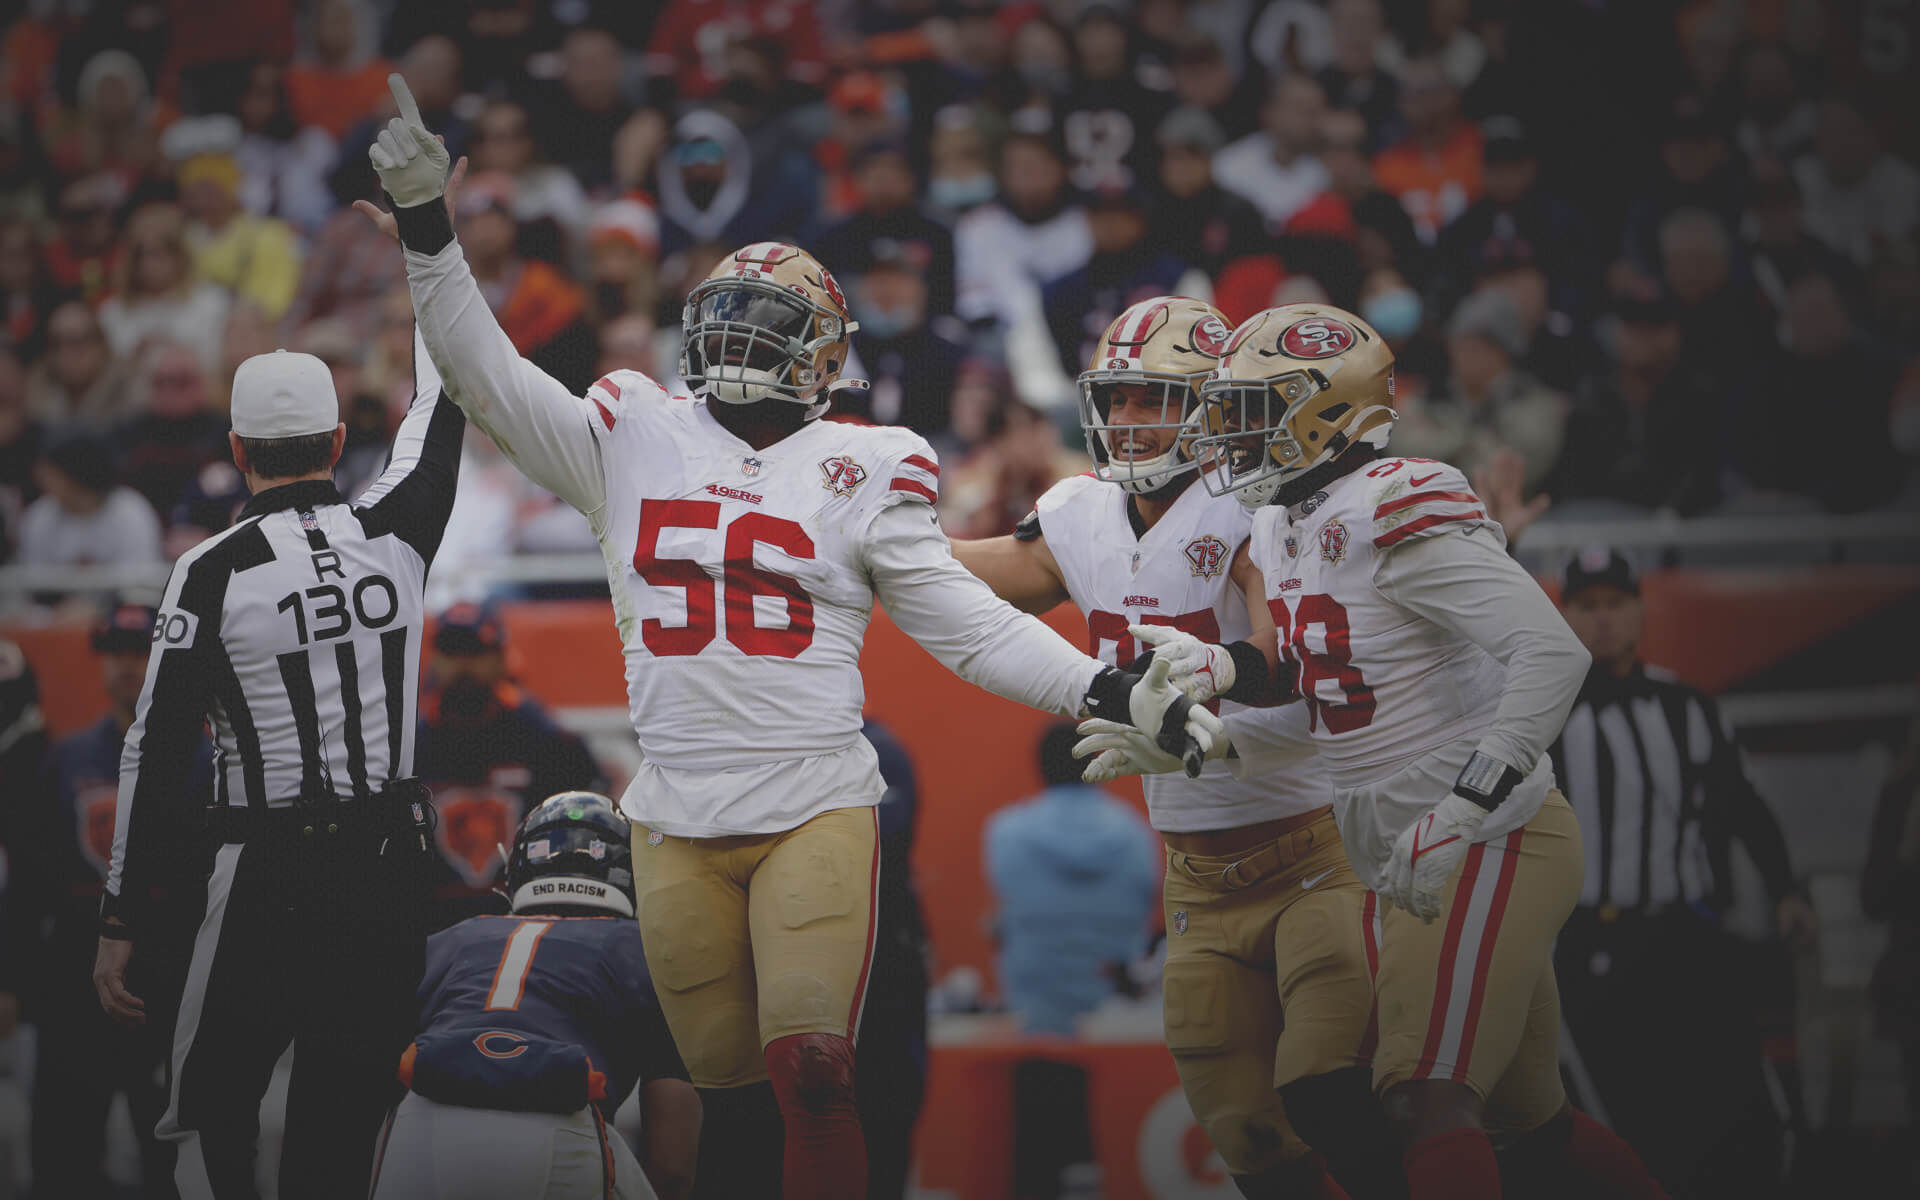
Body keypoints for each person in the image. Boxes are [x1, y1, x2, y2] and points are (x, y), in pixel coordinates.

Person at [364, 76, 1220, 1200]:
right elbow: (485, 374)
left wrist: (1100, 689)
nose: (750, 342)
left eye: (771, 327)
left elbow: (962, 626)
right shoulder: (631, 432)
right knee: (716, 1099)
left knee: (815, 1069)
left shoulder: (863, 462)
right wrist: (429, 232)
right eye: (740, 320)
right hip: (673, 806)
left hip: (814, 793)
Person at [1092, 302, 1670, 1200]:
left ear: (1323, 413)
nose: (1229, 434)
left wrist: (1468, 806)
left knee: (1423, 1098)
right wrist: (1211, 705)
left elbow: (1554, 652)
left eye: (1254, 410)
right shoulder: (1283, 521)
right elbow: (1324, 700)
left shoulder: (1397, 495)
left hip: (1487, 833)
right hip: (1395, 845)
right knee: (1529, 1131)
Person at [957, 297, 1401, 1198]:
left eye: (1151, 398)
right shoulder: (1081, 511)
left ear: (1215, 405)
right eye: (1116, 400)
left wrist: (1210, 678)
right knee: (1248, 1138)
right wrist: (879, 547)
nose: (1126, 421)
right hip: (1196, 870)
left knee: (1333, 1092)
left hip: (1317, 844)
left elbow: (1284, 661)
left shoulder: (1258, 505)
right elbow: (997, 569)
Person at [92, 329, 464, 1199]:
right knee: (342, 1125)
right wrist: (421, 229)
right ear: (337, 443)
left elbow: (156, 745)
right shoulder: (399, 524)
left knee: (203, 1114)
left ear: (236, 451)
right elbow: (444, 390)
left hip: (267, 867)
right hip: (389, 868)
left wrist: (121, 914)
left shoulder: (209, 570)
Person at [1550, 547, 1815, 1198]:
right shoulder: (1543, 715)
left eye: (1615, 604)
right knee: (1619, 1115)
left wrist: (1784, 891)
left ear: (1640, 611)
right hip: (1591, 943)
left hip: (1684, 935)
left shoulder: (1688, 707)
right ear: (1565, 616)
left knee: (1723, 1108)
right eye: (1587, 606)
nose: (1603, 621)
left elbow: (1746, 805)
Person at [369, 792, 700, 1199]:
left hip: (420, 1124)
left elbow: (373, 1074)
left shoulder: (452, 939)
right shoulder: (643, 951)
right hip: (558, 1123)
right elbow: (672, 1165)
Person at [12, 603, 212, 1200]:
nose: (129, 665)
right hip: (75, 973)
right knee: (64, 1153)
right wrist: (15, 981)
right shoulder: (66, 758)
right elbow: (30, 881)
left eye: (142, 650)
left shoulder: (209, 761)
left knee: (171, 1155)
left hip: (169, 977)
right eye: (116, 652)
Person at [414, 602, 605, 929]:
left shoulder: (544, 737)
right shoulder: (414, 742)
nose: (462, 665)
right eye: (451, 653)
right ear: (434, 660)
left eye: (475, 652)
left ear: (502, 658)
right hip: (436, 920)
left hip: (526, 914)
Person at [856, 717, 930, 1200]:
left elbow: (881, 847)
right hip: (789, 943)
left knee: (886, 1109)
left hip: (879, 945)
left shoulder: (876, 749)